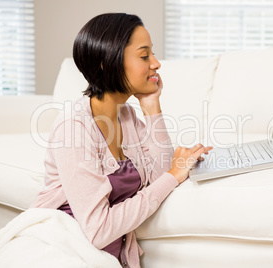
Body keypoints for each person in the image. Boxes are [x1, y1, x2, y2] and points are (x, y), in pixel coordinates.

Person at [30, 13, 212, 267]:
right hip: (62, 249)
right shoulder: (74, 127)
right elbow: (98, 231)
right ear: (107, 62)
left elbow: (159, 176)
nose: (156, 63)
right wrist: (174, 173)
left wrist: (151, 106)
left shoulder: (125, 115)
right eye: (144, 55)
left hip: (103, 255)